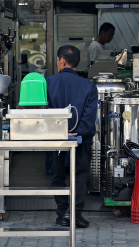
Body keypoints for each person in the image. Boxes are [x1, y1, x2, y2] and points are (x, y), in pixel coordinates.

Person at [46, 45, 98, 228]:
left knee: (58, 175)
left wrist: (60, 130)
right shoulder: (89, 86)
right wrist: (79, 131)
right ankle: (74, 213)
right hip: (81, 138)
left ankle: (62, 213)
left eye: (58, 60)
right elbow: (90, 115)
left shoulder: (48, 82)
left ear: (62, 60)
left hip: (56, 137)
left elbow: (45, 111)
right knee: (80, 175)